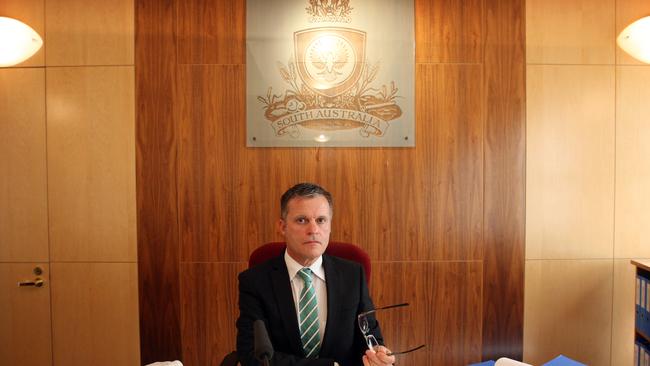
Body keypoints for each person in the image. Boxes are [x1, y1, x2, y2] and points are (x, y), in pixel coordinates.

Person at [236, 183, 395, 366]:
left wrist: (378, 355)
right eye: (302, 220)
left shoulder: (352, 276)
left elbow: (369, 338)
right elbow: (252, 354)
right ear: (282, 226)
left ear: (329, 226)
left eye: (321, 220)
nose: (313, 230)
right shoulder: (255, 281)